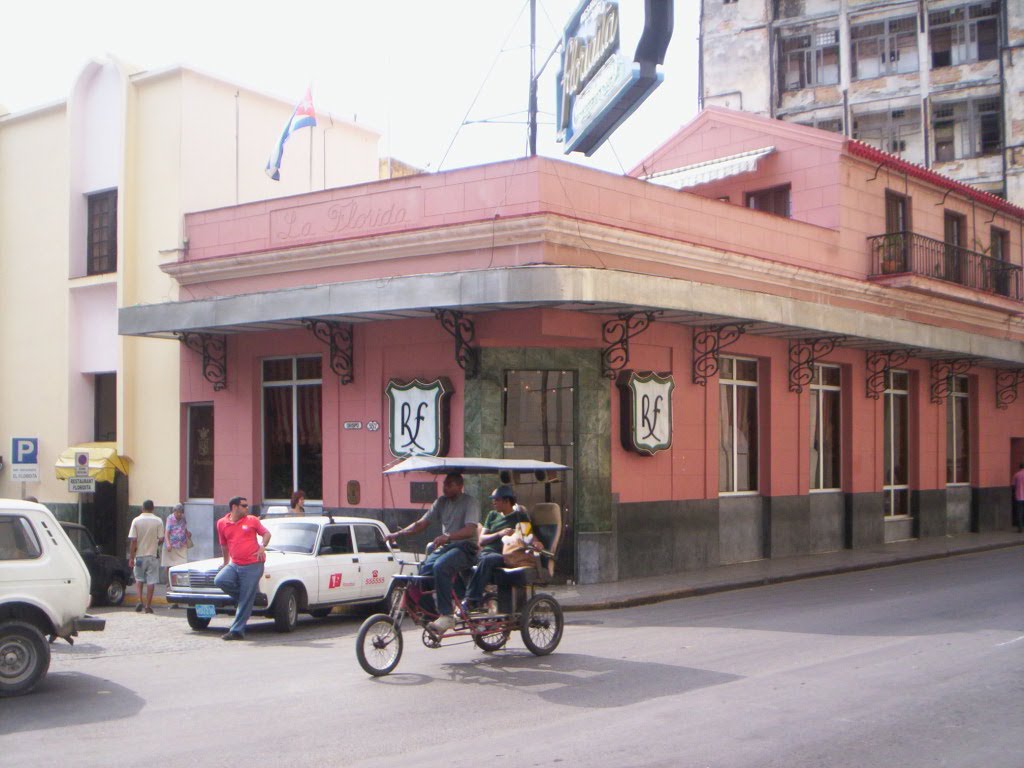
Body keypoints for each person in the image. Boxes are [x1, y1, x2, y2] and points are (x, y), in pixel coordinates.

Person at [385, 473, 480, 634]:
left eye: (449, 484)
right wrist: (397, 534)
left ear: (460, 486)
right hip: (448, 547)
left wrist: (448, 536)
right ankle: (430, 613)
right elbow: (421, 524)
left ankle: (447, 615)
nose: (445, 488)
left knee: (440, 567)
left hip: (466, 548)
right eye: (444, 484)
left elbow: (470, 529)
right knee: (423, 573)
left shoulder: (470, 502)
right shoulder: (441, 502)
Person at [213, 496, 272, 640]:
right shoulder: (221, 523)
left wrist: (262, 547)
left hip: (253, 564)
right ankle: (248, 599)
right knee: (220, 580)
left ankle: (236, 631)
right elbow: (224, 545)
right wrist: (226, 562)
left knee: (246, 597)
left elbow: (266, 533)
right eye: (244, 505)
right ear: (234, 507)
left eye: (247, 506)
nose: (247, 508)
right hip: (235, 563)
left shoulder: (252, 520)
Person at [463, 485, 529, 611]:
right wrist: (499, 533)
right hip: (485, 553)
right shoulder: (492, 515)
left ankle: (471, 599)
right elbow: (482, 540)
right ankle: (465, 598)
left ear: (507, 501)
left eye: (497, 499)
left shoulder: (520, 517)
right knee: (462, 560)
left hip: (504, 555)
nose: (494, 502)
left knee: (488, 560)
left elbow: (528, 537)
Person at [128, 500, 164, 614]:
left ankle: (139, 600)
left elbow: (133, 540)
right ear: (153, 508)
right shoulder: (158, 521)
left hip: (139, 556)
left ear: (142, 508)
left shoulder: (136, 521)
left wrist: (131, 557)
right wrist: (155, 544)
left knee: (139, 579)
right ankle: (148, 605)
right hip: (153, 556)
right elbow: (161, 538)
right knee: (151, 581)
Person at [162, 503, 191, 581]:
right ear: (174, 512)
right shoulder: (170, 518)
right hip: (171, 545)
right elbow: (166, 532)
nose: (179, 514)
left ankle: (180, 581)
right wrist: (168, 543)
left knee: (183, 563)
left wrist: (187, 533)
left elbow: (184, 527)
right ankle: (169, 582)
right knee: (169, 564)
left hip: (181, 544)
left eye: (180, 512)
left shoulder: (183, 518)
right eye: (177, 512)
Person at [1013, 463, 1024, 533]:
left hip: (1019, 496)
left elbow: (1013, 486)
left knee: (1019, 512)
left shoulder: (1016, 475)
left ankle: (1020, 528)